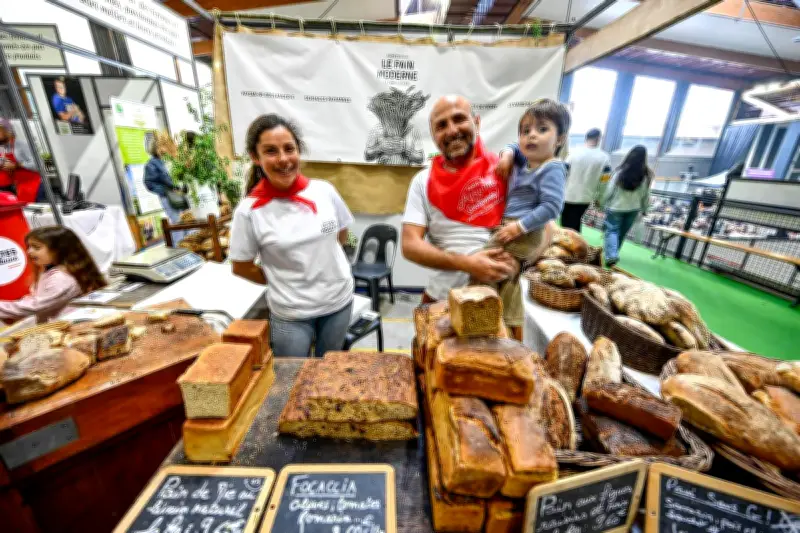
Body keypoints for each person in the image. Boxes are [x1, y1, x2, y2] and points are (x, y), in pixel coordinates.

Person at [229, 114, 355, 358]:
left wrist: (322, 264)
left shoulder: (324, 191)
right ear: (256, 158)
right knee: (291, 380)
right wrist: (280, 279)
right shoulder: (249, 211)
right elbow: (241, 266)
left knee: (327, 373)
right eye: (271, 151)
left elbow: (341, 234)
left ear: (299, 151)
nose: (283, 159)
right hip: (291, 313)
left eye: (289, 148)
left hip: (338, 302)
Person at [401, 95, 522, 337]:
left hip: (500, 301)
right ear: (434, 136)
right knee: (433, 370)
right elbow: (409, 245)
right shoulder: (423, 181)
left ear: (476, 123)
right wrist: (466, 263)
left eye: (459, 119)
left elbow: (546, 228)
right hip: (441, 300)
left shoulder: (505, 170)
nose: (452, 130)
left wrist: (520, 262)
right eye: (441, 125)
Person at [488, 98, 569, 331]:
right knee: (507, 277)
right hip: (515, 227)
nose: (531, 136)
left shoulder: (552, 167)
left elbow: (553, 207)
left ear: (560, 139)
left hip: (522, 230)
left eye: (542, 129)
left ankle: (486, 317)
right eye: (526, 131)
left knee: (483, 266)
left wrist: (518, 227)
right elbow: (513, 145)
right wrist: (507, 155)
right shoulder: (528, 161)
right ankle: (512, 323)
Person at [0, 226, 106, 324]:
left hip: (67, 327)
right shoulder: (49, 270)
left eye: (36, 248)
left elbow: (36, 305)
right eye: (29, 247)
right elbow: (37, 298)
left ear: (59, 250)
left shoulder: (61, 279)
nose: (29, 251)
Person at [601, 145, 654, 268]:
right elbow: (646, 195)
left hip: (616, 207)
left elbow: (610, 190)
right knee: (622, 233)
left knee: (612, 230)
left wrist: (603, 203)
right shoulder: (646, 176)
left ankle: (611, 255)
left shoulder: (620, 172)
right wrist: (645, 209)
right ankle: (613, 254)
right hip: (633, 209)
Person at [562, 128, 611, 232]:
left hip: (567, 195)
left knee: (567, 226)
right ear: (599, 139)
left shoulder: (573, 153)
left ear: (586, 138)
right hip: (586, 198)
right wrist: (600, 199)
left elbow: (563, 173)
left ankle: (573, 246)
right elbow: (604, 182)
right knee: (574, 224)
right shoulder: (604, 158)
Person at [144, 133, 186, 233]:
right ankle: (179, 247)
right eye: (160, 146)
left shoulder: (173, 159)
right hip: (168, 198)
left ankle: (190, 247)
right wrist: (165, 191)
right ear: (155, 148)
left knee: (189, 223)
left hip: (181, 196)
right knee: (177, 225)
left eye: (165, 145)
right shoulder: (151, 164)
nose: (163, 148)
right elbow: (149, 183)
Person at [0, 118, 42, 203]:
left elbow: (38, 164)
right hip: (17, 186)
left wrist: (16, 165)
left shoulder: (21, 144)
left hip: (32, 185)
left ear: (7, 131)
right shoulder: (2, 147)